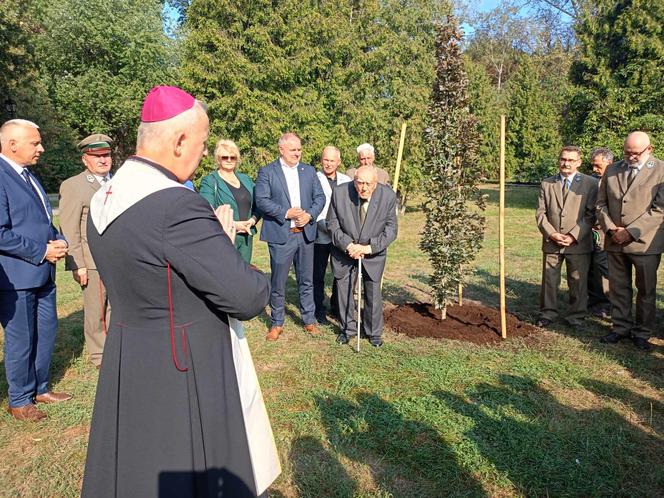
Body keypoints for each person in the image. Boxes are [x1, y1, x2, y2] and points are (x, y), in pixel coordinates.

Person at [82, 86, 280, 498]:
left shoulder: (106, 197)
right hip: (184, 364)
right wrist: (223, 246)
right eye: (204, 143)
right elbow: (246, 296)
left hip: (130, 352)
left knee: (136, 462)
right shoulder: (176, 206)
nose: (204, 154)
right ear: (178, 141)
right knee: (188, 465)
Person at [0, 119, 71, 421]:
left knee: (46, 332)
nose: (41, 148)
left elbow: (41, 220)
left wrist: (59, 239)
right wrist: (41, 250)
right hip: (17, 277)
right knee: (21, 338)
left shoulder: (28, 176)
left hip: (44, 273)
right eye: (35, 142)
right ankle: (19, 399)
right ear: (12, 144)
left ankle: (40, 387)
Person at [596, 131, 664, 351]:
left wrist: (632, 231)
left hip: (645, 243)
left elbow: (660, 209)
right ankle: (620, 327)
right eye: (627, 152)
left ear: (649, 149)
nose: (630, 156)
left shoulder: (662, 170)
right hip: (614, 240)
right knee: (618, 288)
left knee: (645, 290)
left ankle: (642, 332)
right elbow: (600, 204)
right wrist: (610, 228)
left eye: (636, 153)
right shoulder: (612, 169)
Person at [254, 132, 326, 341]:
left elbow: (319, 197)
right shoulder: (268, 172)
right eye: (293, 149)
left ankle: (309, 319)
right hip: (281, 235)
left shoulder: (309, 171)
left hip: (305, 235)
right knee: (278, 281)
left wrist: (309, 214)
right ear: (281, 150)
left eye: (299, 149)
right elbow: (262, 200)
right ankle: (277, 322)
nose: (297, 153)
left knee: (306, 280)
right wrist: (286, 213)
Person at [327, 165, 398, 347]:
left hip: (372, 254)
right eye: (359, 183)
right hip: (345, 251)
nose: (363, 188)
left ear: (376, 183)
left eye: (368, 184)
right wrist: (348, 245)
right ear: (354, 180)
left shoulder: (387, 196)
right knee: (344, 292)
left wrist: (369, 248)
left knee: (373, 292)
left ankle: (373, 332)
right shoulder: (340, 193)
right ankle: (347, 329)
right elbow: (332, 224)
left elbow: (391, 230)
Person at [58, 134, 113, 368]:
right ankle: (99, 353)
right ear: (85, 159)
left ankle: (115, 345)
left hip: (118, 256)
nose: (103, 160)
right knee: (96, 308)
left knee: (115, 305)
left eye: (106, 155)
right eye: (96, 156)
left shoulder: (117, 182)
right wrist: (78, 263)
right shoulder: (74, 185)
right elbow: (69, 228)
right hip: (91, 258)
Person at [535, 146, 598, 328]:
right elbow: (540, 213)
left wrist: (573, 236)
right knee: (549, 279)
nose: (566, 163)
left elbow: (591, 214)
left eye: (571, 160)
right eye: (563, 159)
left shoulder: (590, 184)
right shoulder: (547, 184)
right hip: (552, 242)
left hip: (578, 242)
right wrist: (551, 233)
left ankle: (576, 316)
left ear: (579, 162)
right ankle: (547, 313)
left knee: (577, 280)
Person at [200, 139, 260, 263]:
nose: (229, 160)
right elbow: (206, 210)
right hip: (224, 237)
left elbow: (259, 204)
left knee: (244, 276)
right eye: (225, 157)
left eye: (232, 157)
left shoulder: (246, 179)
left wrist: (252, 220)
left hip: (246, 238)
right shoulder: (210, 181)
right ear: (218, 159)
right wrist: (234, 224)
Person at [313, 145, 351, 324]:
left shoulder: (346, 180)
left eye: (332, 161)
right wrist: (325, 226)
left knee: (340, 273)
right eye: (325, 160)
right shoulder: (313, 178)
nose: (328, 164)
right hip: (320, 235)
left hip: (340, 237)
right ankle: (318, 309)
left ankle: (337, 306)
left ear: (339, 162)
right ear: (321, 160)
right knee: (318, 274)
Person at [587, 147, 613, 318]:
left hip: (604, 231)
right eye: (593, 166)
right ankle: (592, 300)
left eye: (598, 166)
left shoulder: (615, 180)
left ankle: (606, 304)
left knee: (602, 266)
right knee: (589, 266)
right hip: (589, 229)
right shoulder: (592, 181)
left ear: (608, 163)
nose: (594, 169)